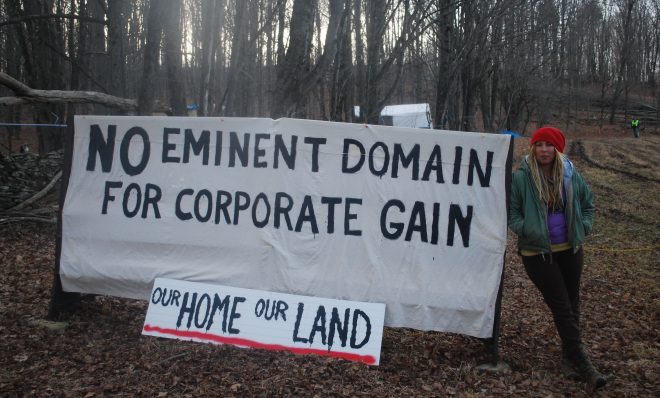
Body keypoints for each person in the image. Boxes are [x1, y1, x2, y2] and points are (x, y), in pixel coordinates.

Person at [508, 126, 607, 390]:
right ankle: (584, 362)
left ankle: (568, 357)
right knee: (562, 305)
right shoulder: (522, 177)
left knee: (572, 303)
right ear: (532, 148)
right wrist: (525, 228)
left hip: (570, 248)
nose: (543, 150)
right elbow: (512, 211)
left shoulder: (571, 174)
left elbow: (588, 203)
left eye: (549, 145)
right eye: (539, 145)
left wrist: (584, 226)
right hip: (537, 253)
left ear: (557, 148)